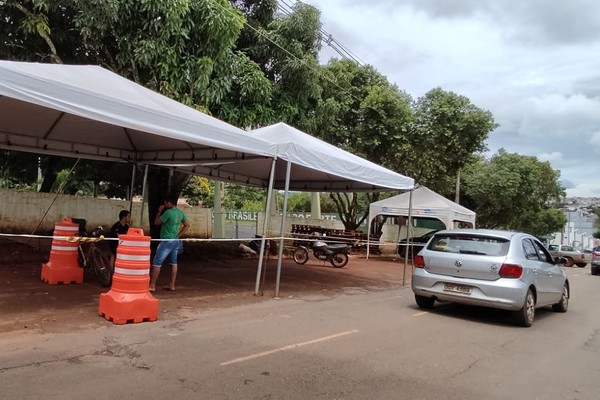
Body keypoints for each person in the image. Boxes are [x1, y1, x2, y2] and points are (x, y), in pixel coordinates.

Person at [149, 196, 190, 292]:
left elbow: (156, 222)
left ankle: (152, 285)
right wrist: (179, 235)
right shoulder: (180, 213)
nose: (164, 205)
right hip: (175, 240)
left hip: (166, 241)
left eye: (165, 203)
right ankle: (172, 285)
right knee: (174, 263)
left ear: (169, 203)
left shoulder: (167, 213)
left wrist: (159, 211)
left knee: (157, 263)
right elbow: (187, 224)